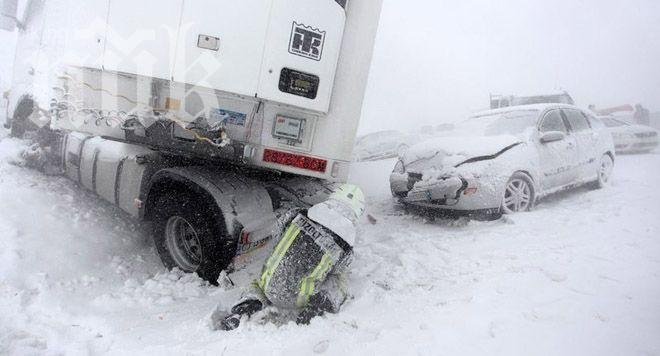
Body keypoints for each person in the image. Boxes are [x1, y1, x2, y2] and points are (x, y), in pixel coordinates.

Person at [212, 184, 366, 331]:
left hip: (269, 286)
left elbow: (278, 233)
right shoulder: (346, 247)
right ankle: (317, 308)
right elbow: (339, 268)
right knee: (339, 279)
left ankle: (245, 308)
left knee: (257, 281)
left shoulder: (297, 214)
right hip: (300, 298)